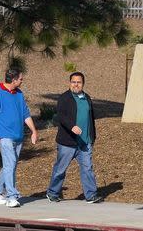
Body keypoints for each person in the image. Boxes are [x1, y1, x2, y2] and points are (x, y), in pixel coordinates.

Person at [46, 72, 102, 204]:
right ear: (69, 83)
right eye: (73, 82)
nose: (76, 84)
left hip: (84, 142)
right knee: (60, 169)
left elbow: (90, 119)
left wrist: (92, 137)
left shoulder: (87, 98)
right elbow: (60, 116)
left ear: (83, 84)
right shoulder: (64, 98)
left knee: (87, 168)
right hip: (67, 142)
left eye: (79, 82)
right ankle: (53, 193)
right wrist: (72, 127)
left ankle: (91, 195)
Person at [0, 68, 38, 208]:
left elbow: (25, 114)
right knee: (10, 164)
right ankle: (11, 196)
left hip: (18, 136)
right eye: (21, 79)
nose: (22, 80)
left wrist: (33, 131)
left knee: (11, 165)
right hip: (5, 135)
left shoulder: (19, 94)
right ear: (14, 80)